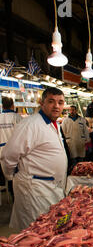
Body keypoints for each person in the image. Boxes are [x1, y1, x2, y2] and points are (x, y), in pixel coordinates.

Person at [1, 87, 68, 231]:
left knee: (50, 230)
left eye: (60, 102)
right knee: (36, 233)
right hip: (34, 189)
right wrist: (12, 175)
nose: (56, 106)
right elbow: (8, 155)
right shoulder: (30, 124)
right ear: (42, 103)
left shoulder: (53, 123)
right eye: (51, 101)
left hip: (51, 186)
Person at [0, 96, 22, 200]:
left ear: (2, 106)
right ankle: (16, 199)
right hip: (15, 151)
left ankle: (11, 195)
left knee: (8, 177)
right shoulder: (17, 117)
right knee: (16, 177)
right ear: (13, 105)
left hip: (1, 151)